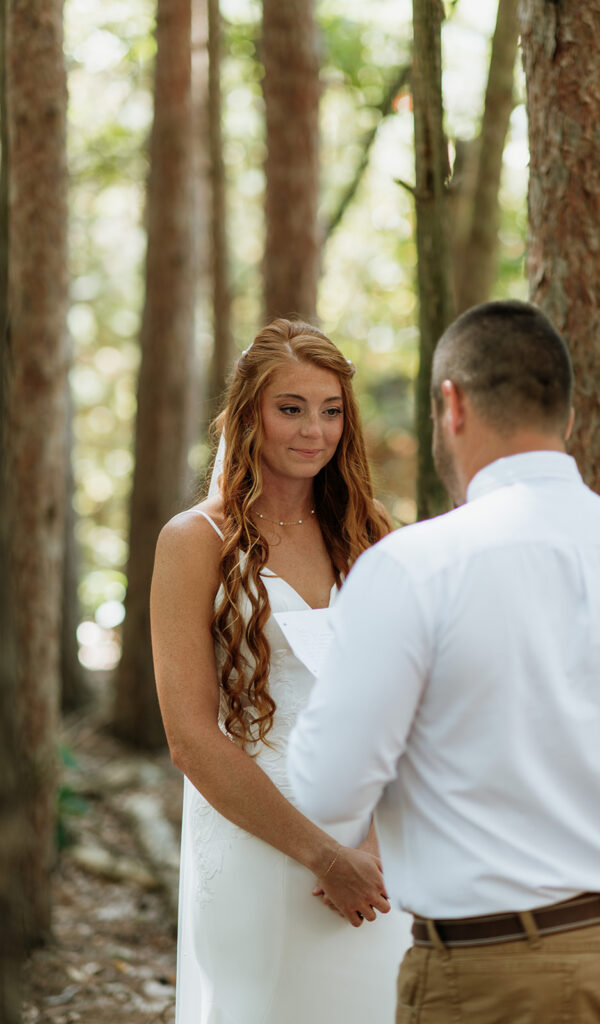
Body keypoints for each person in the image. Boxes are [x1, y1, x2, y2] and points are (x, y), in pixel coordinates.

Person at [287, 299, 600, 1024]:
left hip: (507, 973)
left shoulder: (413, 569)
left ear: (452, 403)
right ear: (566, 417)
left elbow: (327, 790)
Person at [150, 318, 411, 1024]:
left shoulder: (371, 532)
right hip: (260, 843)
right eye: (290, 408)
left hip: (376, 851)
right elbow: (190, 737)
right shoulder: (193, 541)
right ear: (250, 413)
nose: (312, 431)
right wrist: (324, 856)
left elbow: (414, 702)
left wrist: (375, 846)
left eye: (330, 411)